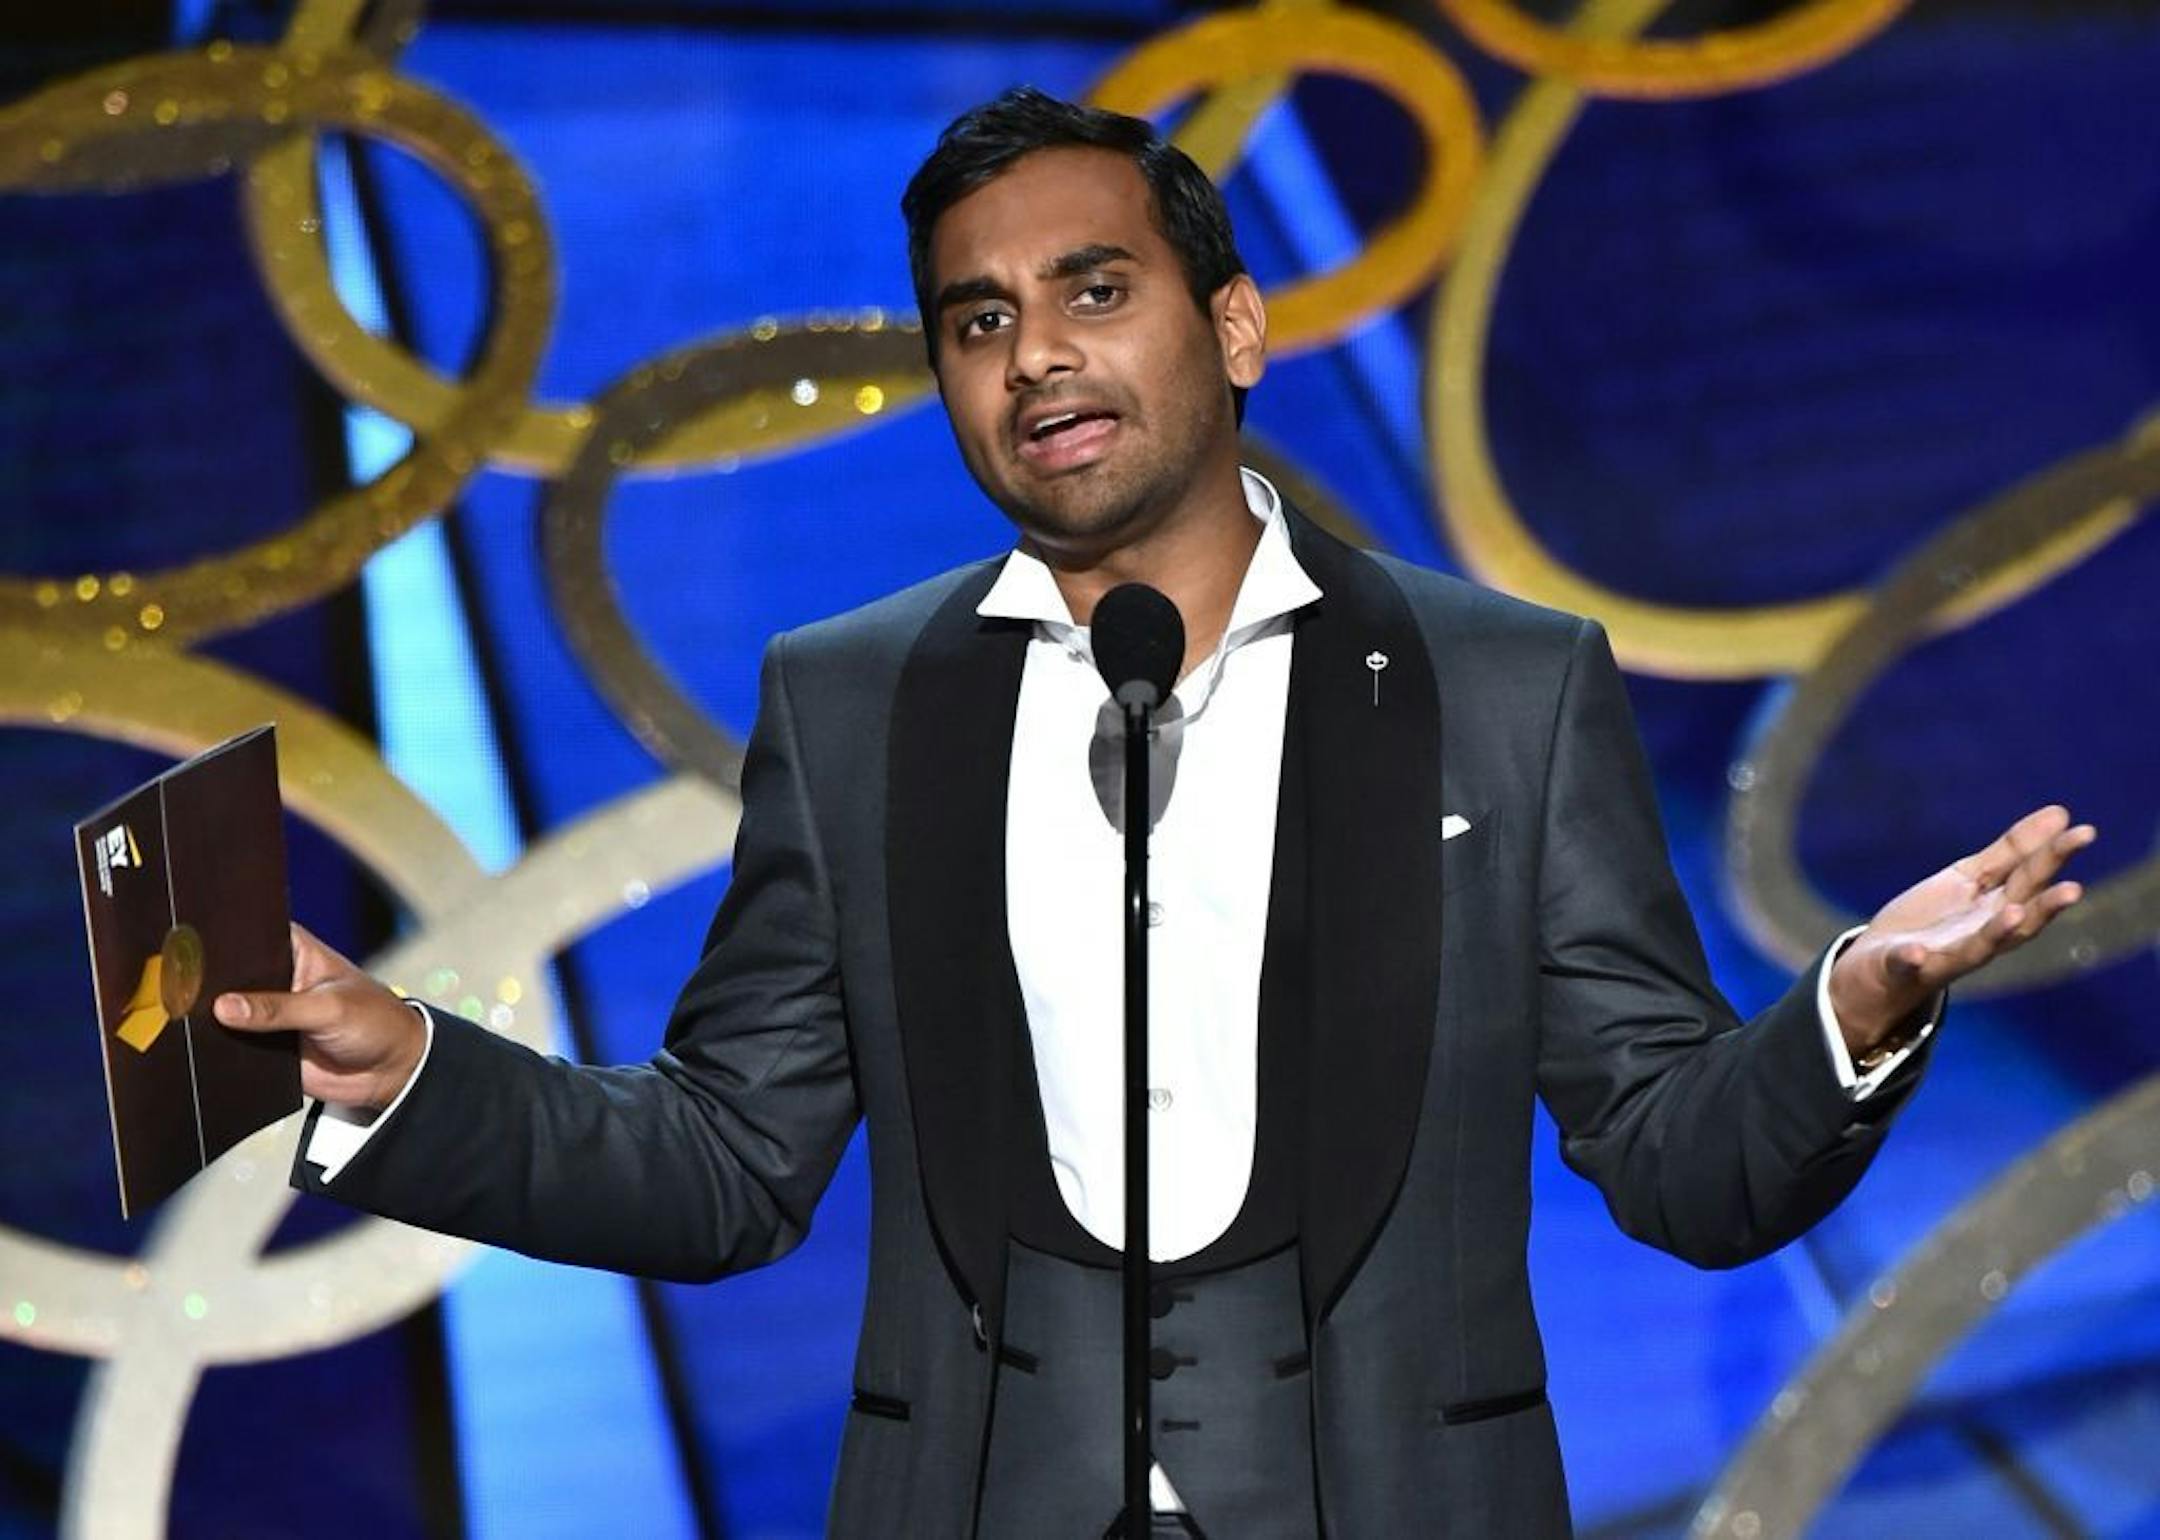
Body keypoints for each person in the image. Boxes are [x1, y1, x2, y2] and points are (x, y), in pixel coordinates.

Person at [213, 88, 2094, 1538]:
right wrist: (404, 1077)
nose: (1035, 353)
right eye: (978, 319)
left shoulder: (1501, 687)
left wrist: (1855, 1005)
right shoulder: (857, 701)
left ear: (1240, 325)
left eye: (1093, 291)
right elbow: (723, 1168)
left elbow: (1684, 1164)